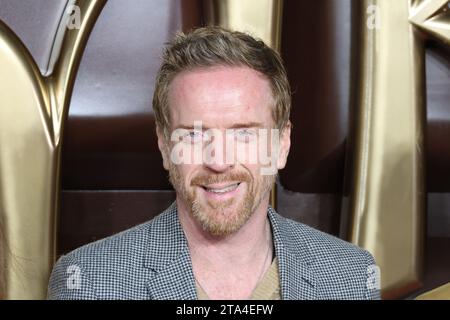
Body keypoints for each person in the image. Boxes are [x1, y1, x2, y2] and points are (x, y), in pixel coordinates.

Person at [48, 26, 380, 300]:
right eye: (193, 135)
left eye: (243, 134)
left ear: (282, 144)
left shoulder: (349, 276)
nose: (219, 161)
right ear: (164, 146)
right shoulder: (89, 282)